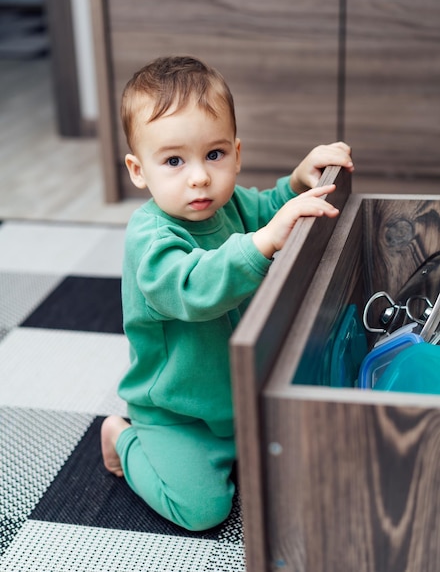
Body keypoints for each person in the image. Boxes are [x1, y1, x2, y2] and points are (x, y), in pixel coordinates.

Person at [101, 55, 353, 531]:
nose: (199, 176)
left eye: (213, 155)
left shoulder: (229, 203)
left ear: (236, 154)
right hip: (179, 413)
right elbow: (193, 287)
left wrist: (299, 180)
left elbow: (267, 209)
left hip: (240, 394)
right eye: (174, 161)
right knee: (202, 511)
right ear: (138, 170)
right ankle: (124, 440)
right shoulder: (150, 239)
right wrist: (263, 243)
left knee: (310, 455)